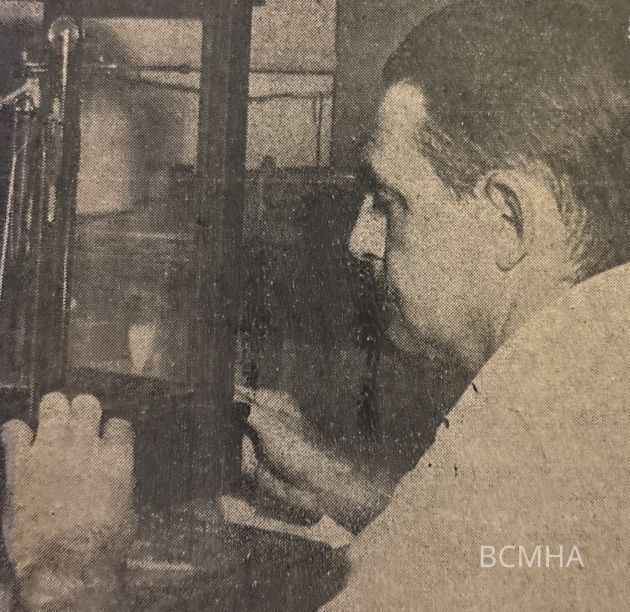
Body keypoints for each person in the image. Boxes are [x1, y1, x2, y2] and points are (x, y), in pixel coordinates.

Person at [2, 0, 630, 608]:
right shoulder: (588, 382)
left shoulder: (535, 453)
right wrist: (344, 488)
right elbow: (503, 551)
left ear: (507, 221)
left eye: (389, 202)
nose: (360, 238)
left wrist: (67, 563)